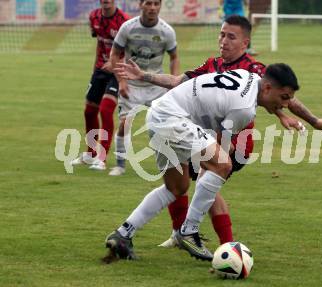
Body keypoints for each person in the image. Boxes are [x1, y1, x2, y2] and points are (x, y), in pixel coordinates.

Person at [114, 15, 322, 249]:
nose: (223, 41)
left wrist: (303, 118)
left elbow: (279, 97)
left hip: (230, 140)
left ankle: (212, 243)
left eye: (231, 36)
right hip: (195, 129)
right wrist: (145, 76)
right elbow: (178, 81)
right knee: (188, 183)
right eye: (222, 34)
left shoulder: (255, 70)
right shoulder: (213, 65)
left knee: (205, 179)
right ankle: (191, 236)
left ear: (245, 43)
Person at [104, 63, 301, 262]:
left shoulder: (247, 75)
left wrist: (217, 151)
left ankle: (122, 234)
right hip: (174, 118)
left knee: (176, 188)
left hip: (158, 114)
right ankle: (189, 231)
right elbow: (219, 158)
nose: (285, 105)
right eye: (284, 97)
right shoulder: (245, 110)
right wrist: (219, 155)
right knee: (223, 164)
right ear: (267, 88)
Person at [92, 0, 180, 174]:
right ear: (140, 5)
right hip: (131, 85)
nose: (152, 8)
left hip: (156, 85)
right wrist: (122, 81)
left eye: (156, 4)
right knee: (125, 124)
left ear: (160, 6)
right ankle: (120, 165)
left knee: (166, 125)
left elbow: (174, 57)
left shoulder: (167, 31)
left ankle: (169, 163)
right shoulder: (128, 27)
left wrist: (174, 82)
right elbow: (115, 54)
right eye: (148, 3)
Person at [71, 0, 130, 168]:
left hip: (117, 71)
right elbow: (100, 43)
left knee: (105, 110)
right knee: (89, 111)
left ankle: (101, 159)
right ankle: (90, 154)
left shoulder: (124, 21)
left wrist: (119, 71)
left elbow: (129, 50)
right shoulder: (94, 16)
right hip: (100, 70)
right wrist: (94, 70)